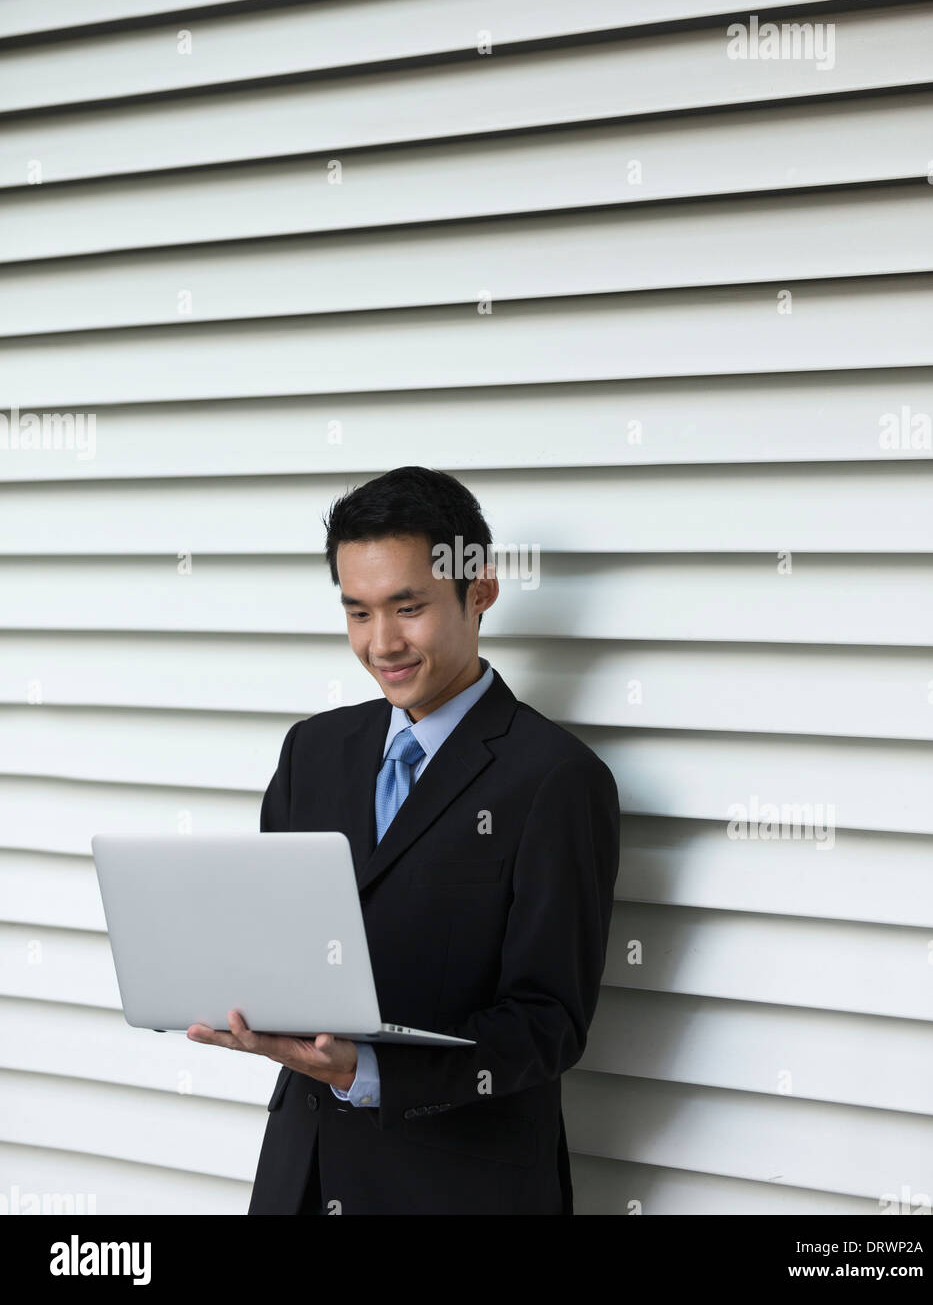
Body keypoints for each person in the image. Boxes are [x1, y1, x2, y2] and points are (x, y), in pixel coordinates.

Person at [188, 465, 620, 1214]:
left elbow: (548, 1022)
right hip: (304, 1171)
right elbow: (281, 939)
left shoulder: (556, 779)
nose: (381, 643)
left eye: (407, 607)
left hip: (461, 1186)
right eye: (357, 612)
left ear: (479, 590)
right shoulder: (312, 752)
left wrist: (371, 1069)